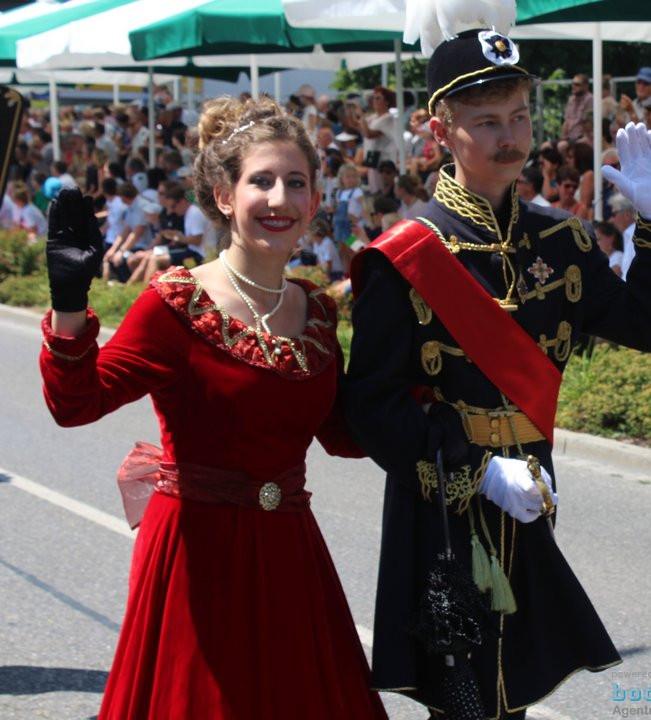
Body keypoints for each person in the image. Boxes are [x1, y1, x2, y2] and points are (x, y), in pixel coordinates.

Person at [342, 27, 651, 719]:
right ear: (441, 130)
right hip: (443, 499)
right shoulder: (407, 255)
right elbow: (372, 405)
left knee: (516, 686)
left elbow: (647, 327)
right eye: (486, 123)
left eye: (519, 118)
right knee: (466, 697)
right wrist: (476, 471)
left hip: (533, 487)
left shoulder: (559, 239)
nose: (511, 138)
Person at [38, 95, 388, 720]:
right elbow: (77, 403)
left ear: (314, 201)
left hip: (289, 553)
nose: (279, 199)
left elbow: (342, 433)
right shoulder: (175, 303)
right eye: (262, 181)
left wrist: (414, 357)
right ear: (226, 196)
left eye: (296, 183)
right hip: (198, 560)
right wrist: (69, 301)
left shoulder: (318, 311)